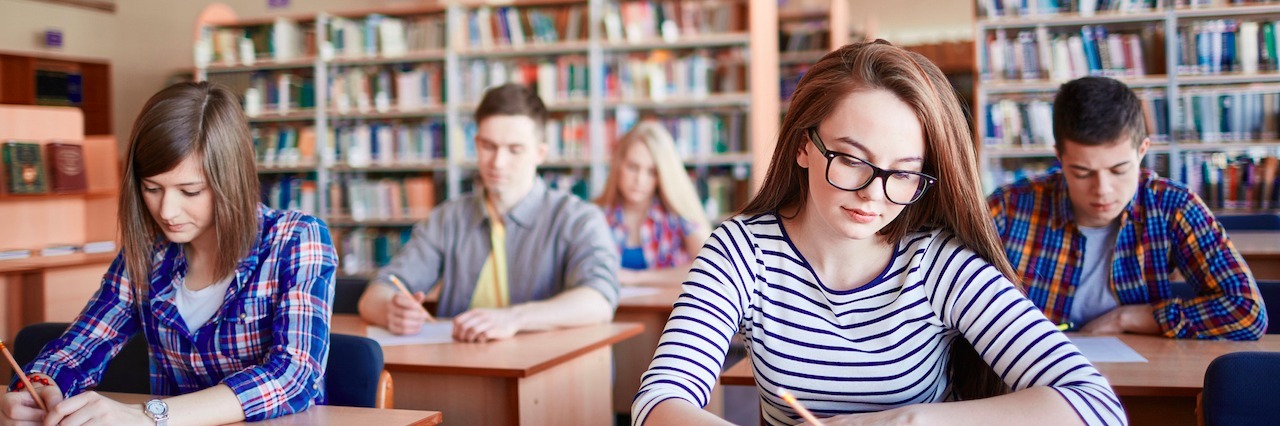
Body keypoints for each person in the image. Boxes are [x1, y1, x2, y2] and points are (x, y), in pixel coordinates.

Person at [632, 41, 1124, 426]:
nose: (874, 194)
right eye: (850, 159)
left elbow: (1096, 406)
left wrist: (907, 420)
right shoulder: (742, 251)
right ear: (805, 146)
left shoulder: (938, 264)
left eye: (904, 173)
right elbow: (659, 401)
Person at [1, 82, 337, 425]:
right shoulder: (148, 251)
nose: (167, 211)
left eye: (190, 191)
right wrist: (41, 385)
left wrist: (150, 416)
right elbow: (85, 342)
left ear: (231, 180)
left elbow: (295, 377)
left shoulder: (296, 238)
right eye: (152, 188)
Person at [988, 76, 1267, 340]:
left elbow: (1247, 311)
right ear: (1059, 157)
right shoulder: (1009, 207)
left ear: (1142, 151)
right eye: (1082, 172)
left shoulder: (1173, 207)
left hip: (1136, 380)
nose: (1103, 189)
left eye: (1119, 169)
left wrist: (1127, 318)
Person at [357, 83, 619, 342]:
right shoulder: (448, 218)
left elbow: (599, 300)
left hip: (545, 372)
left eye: (514, 150)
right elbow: (374, 295)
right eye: (488, 147)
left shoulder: (579, 218)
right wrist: (391, 310)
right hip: (461, 366)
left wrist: (514, 318)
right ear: (476, 143)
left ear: (540, 153)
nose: (498, 162)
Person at [595, 120, 711, 286]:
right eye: (633, 167)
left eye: (651, 172)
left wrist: (636, 278)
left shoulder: (678, 216)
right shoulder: (597, 216)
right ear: (618, 165)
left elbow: (710, 267)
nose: (640, 180)